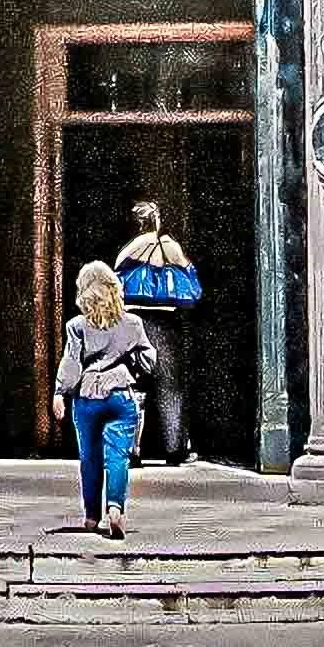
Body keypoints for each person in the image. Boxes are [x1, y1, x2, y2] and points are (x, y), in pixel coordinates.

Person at [52, 256, 155, 537]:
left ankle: (90, 517)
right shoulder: (133, 323)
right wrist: (129, 362)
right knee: (118, 455)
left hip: (86, 398)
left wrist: (60, 392)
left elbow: (71, 363)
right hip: (121, 396)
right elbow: (148, 360)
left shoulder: (77, 326)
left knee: (90, 457)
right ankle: (115, 509)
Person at [116, 199, 203, 464]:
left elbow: (116, 276)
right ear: (156, 220)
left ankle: (131, 450)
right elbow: (190, 275)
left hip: (133, 318)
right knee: (170, 385)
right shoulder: (170, 246)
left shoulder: (130, 248)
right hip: (166, 320)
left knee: (133, 385)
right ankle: (175, 448)